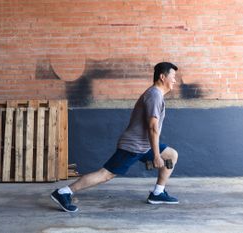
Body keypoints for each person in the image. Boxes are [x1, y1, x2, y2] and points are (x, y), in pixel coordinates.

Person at [51, 62, 179, 212]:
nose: (175, 80)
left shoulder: (156, 94)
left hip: (144, 145)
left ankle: (158, 193)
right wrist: (156, 155)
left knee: (171, 155)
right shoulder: (154, 95)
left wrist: (156, 152)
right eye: (173, 77)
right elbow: (152, 127)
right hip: (133, 146)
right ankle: (63, 192)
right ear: (163, 77)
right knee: (106, 174)